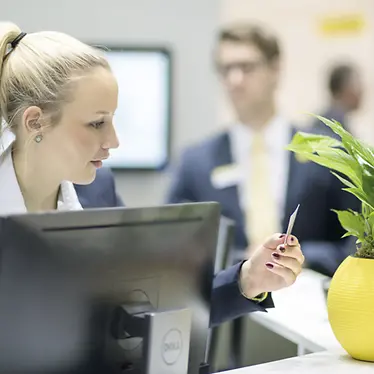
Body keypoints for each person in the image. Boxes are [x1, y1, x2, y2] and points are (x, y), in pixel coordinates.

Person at [0, 22, 303, 330]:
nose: (113, 140)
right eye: (96, 123)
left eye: (112, 120)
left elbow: (151, 301)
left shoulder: (98, 191)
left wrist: (246, 279)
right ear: (35, 122)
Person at [166, 22, 360, 277]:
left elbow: (359, 242)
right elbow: (174, 245)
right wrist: (244, 263)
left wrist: (299, 257)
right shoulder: (196, 162)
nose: (234, 80)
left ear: (275, 69)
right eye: (225, 69)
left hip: (310, 302)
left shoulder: (325, 152)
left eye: (246, 67)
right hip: (229, 305)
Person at [311, 63, 363, 137]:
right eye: (357, 85)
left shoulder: (342, 123)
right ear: (343, 88)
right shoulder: (329, 126)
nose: (361, 91)